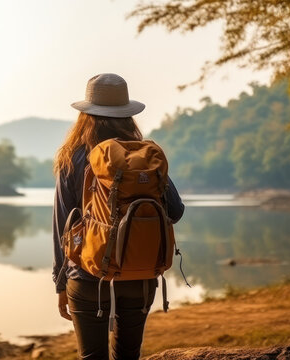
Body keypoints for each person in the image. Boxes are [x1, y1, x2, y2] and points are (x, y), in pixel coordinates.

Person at [52, 73, 185, 360]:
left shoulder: (73, 156)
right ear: (128, 115)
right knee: (128, 356)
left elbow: (62, 226)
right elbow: (175, 210)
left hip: (86, 276)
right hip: (139, 275)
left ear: (85, 114)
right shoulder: (146, 157)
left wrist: (60, 282)